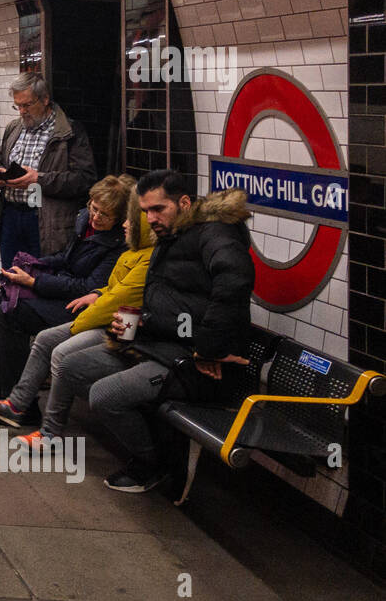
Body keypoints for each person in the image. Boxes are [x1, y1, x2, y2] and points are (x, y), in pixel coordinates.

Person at [45, 169, 255, 492]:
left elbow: (235, 279)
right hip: (155, 344)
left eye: (158, 209)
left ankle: (152, 465)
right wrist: (138, 322)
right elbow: (170, 301)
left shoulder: (215, 233)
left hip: (188, 361)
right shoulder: (170, 238)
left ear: (184, 202)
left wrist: (207, 348)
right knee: (71, 367)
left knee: (104, 396)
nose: (151, 218)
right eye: (145, 211)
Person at [0, 181, 155, 442]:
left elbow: (97, 290)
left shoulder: (123, 247)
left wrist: (38, 284)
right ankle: (1, 394)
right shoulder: (87, 224)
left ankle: (33, 416)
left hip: (86, 310)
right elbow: (72, 263)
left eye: (105, 214)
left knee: (15, 318)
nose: (95, 217)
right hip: (83, 302)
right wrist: (33, 267)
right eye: (93, 209)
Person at [0, 72, 96, 268]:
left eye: (27, 105)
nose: (22, 111)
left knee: (39, 278)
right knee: (10, 276)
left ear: (45, 99)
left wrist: (38, 180)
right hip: (11, 215)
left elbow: (84, 179)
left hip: (45, 219)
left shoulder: (69, 132)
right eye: (18, 106)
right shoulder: (14, 128)